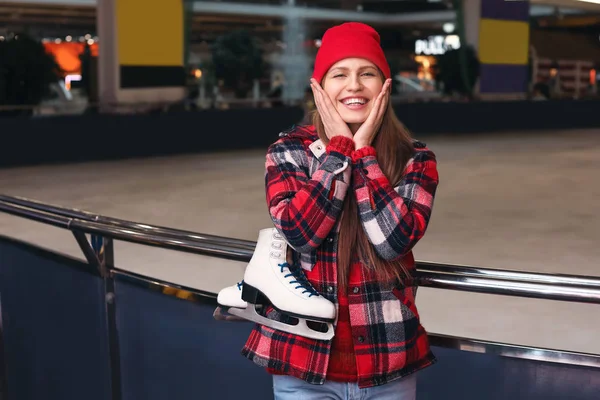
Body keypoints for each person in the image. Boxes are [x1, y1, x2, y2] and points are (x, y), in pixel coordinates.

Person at [240, 22, 440, 399]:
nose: (353, 85)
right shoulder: (289, 152)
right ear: (319, 87)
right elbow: (300, 232)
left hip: (387, 364)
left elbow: (394, 240)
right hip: (302, 362)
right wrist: (339, 152)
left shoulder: (415, 158)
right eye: (339, 74)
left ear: (385, 85)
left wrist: (364, 154)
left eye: (367, 73)